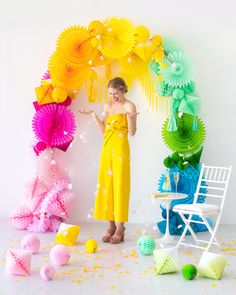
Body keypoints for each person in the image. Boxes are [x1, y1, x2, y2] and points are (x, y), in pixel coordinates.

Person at [79, 77, 138, 244]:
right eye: (111, 94)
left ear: (123, 90)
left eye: (116, 93)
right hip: (107, 148)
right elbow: (104, 131)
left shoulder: (129, 106)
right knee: (107, 184)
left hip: (120, 148)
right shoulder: (108, 106)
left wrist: (130, 118)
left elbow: (132, 132)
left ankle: (120, 227)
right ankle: (110, 225)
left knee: (120, 185)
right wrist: (93, 115)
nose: (113, 97)